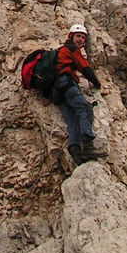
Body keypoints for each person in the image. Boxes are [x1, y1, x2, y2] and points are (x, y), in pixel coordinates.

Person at [20, 24, 108, 165]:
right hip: (66, 85)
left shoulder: (57, 53)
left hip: (56, 94)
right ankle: (88, 146)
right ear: (71, 36)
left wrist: (47, 96)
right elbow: (85, 68)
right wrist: (97, 84)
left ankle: (75, 150)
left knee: (72, 120)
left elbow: (52, 74)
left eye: (83, 38)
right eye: (78, 36)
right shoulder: (71, 49)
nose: (80, 40)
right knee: (85, 108)